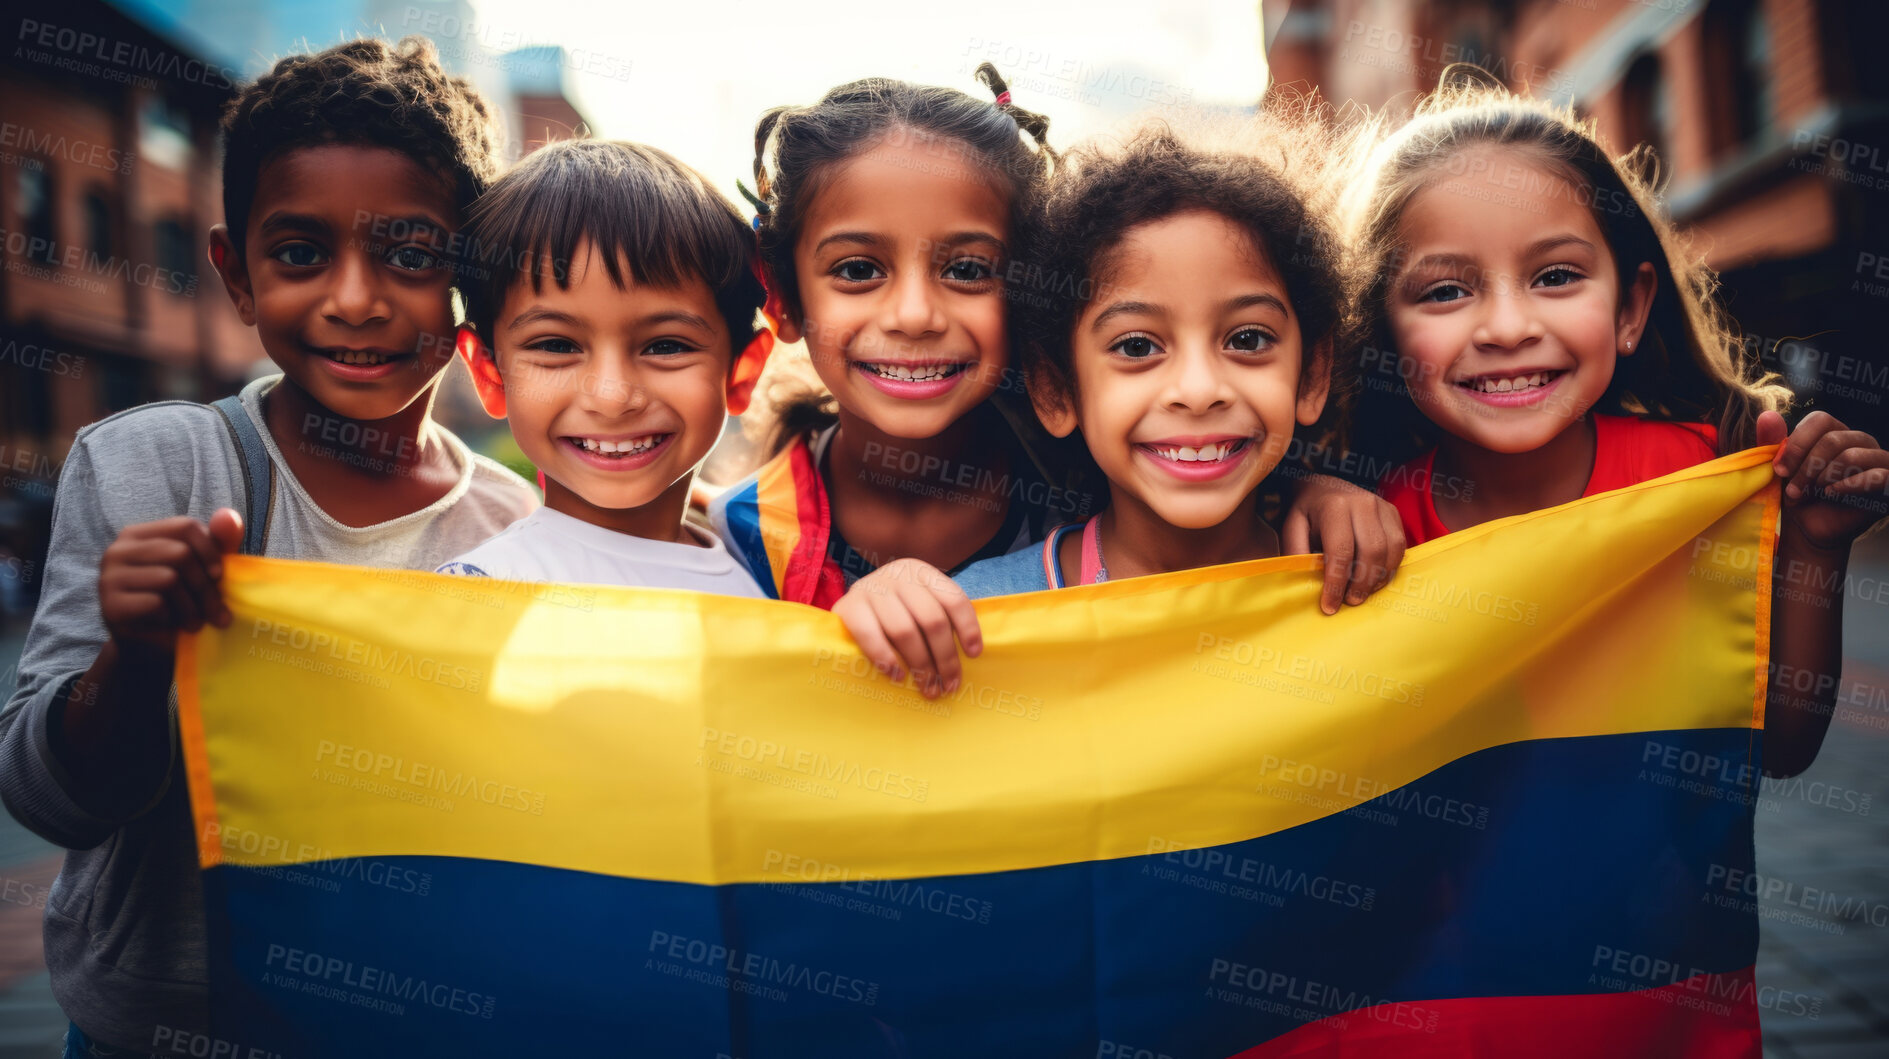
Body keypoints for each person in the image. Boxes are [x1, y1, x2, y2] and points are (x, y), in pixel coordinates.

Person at [0, 38, 536, 1055]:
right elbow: (47, 797)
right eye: (299, 253)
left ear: (472, 273)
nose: (354, 298)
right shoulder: (152, 469)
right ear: (234, 274)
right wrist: (135, 653)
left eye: (412, 253)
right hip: (156, 1027)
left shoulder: (517, 530)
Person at [1335, 71, 1887, 778]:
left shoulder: (1701, 478)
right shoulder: (1370, 532)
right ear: (1379, 332)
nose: (1507, 327)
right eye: (1445, 291)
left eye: (1555, 276)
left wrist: (1814, 549)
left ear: (1629, 309)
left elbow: (1775, 744)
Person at [833, 122, 1357, 696]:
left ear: (1311, 375)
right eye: (1137, 347)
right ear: (1057, 392)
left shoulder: (1363, 584)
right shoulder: (975, 622)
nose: (1200, 388)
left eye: (1248, 340)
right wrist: (880, 612)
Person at [438, 139, 773, 594]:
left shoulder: (776, 578)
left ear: (741, 372)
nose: (613, 396)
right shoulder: (481, 596)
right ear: (489, 374)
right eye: (556, 345)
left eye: (666, 346)